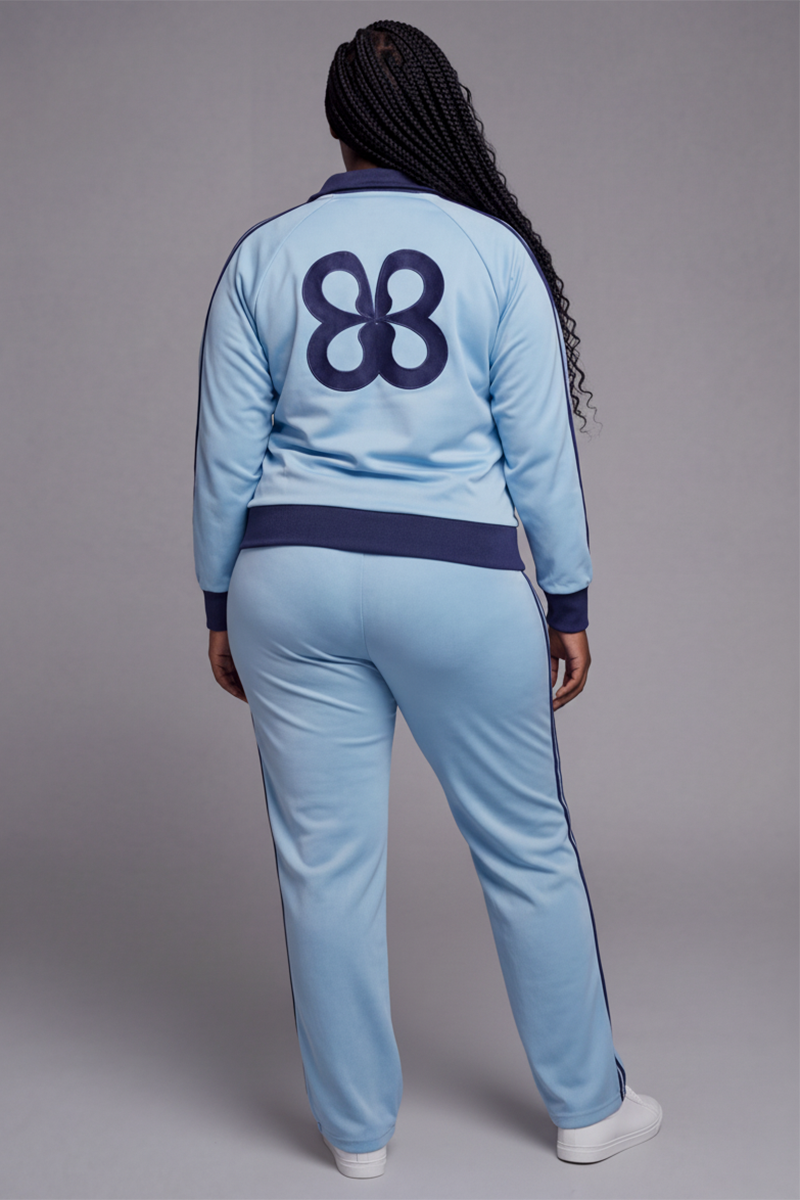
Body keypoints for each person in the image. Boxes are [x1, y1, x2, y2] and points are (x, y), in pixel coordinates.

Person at [193, 21, 661, 1179]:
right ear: (440, 113)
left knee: (324, 865)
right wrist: (567, 600)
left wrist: (216, 601)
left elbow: (224, 458)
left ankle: (355, 1136)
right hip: (454, 580)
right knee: (525, 847)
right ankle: (586, 1109)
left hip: (288, 580)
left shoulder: (261, 255)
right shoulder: (492, 253)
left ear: (336, 125)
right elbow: (538, 455)